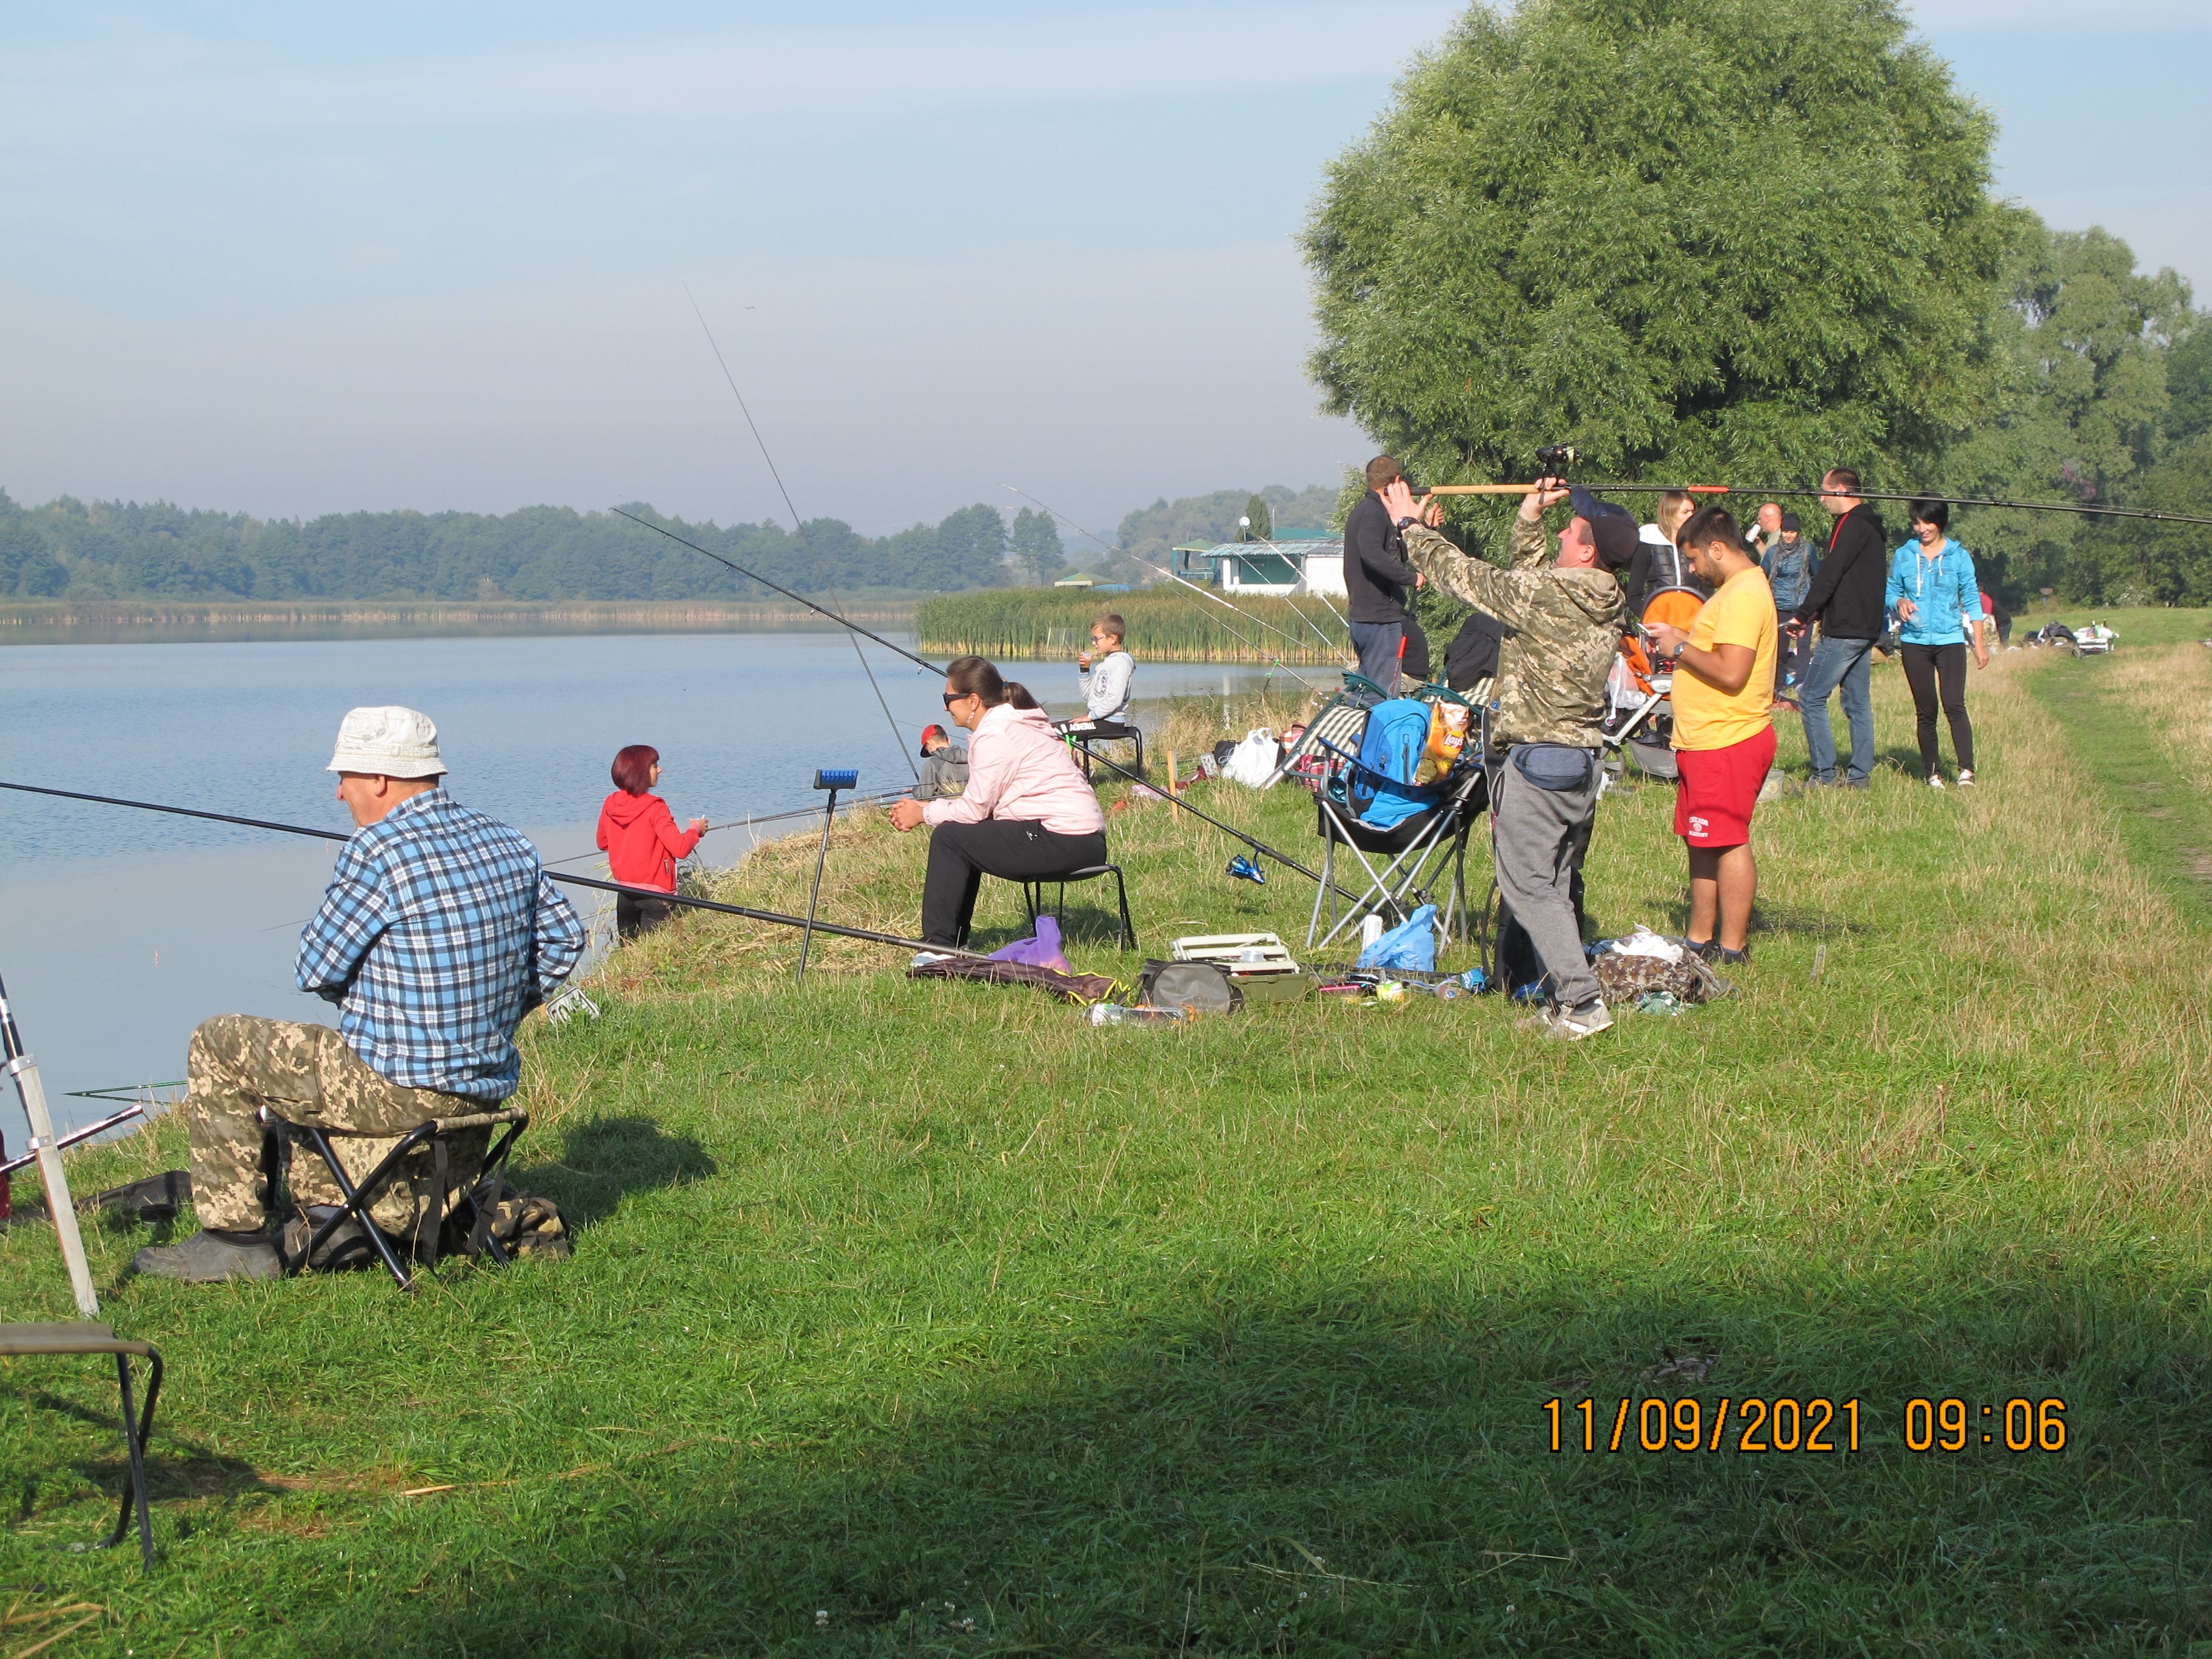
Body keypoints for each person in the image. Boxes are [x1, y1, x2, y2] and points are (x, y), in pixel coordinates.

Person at [133, 706, 585, 1282]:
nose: (339, 793)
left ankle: (231, 1240)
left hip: (400, 1092)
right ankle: (331, 1214)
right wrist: (497, 1010)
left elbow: (314, 969)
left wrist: (375, 996)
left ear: (379, 778)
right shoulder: (509, 840)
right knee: (317, 1061)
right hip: (483, 1094)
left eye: (343, 777)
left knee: (220, 1040)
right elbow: (565, 941)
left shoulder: (376, 849)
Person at [1384, 474, 1632, 1040]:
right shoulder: (1607, 598)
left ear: (1587, 551)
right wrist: (1529, 519)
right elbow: (1532, 580)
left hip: (1539, 761)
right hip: (1582, 761)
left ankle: (1583, 1002)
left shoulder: (1548, 597)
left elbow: (1468, 578)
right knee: (1560, 879)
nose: (1562, 539)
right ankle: (1559, 991)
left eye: (1569, 532)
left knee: (1527, 885)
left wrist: (1410, 527)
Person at [888, 657, 1108, 948]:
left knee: (949, 837)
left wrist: (924, 811)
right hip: (1084, 840)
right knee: (963, 833)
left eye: (948, 698)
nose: (945, 706)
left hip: (1064, 839)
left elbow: (974, 810)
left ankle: (938, 948)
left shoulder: (996, 733)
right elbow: (980, 809)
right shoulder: (1014, 722)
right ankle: (952, 942)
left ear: (973, 701)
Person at [1644, 509, 1778, 965]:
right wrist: (1682, 635)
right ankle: (1698, 939)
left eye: (1697, 559)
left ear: (1718, 549)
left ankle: (1732, 948)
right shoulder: (1734, 593)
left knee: (1729, 838)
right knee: (1702, 837)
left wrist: (1679, 649)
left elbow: (1733, 671)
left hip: (1729, 738)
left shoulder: (1742, 595)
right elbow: (1719, 649)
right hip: (1705, 740)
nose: (1694, 571)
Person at [1786, 467, 1888, 789]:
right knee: (1858, 703)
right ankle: (1859, 777)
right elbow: (1848, 579)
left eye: (1825, 491)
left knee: (1812, 696)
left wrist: (1803, 614)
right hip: (1866, 628)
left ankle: (1823, 775)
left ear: (1842, 490)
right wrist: (1817, 614)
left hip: (1846, 630)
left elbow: (1831, 573)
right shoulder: (1868, 524)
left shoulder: (1853, 524)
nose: (1821, 498)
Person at [1887, 498, 1989, 788]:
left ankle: (1966, 770)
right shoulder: (1904, 555)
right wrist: (1898, 601)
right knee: (1926, 709)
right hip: (1914, 642)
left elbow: (1972, 599)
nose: (1922, 529)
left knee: (1954, 704)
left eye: (1927, 522)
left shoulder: (1959, 556)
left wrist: (1979, 644)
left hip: (1951, 640)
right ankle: (1933, 773)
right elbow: (1891, 589)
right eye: (1917, 523)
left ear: (1940, 522)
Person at [597, 744, 707, 939]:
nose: (660, 769)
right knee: (654, 956)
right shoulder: (656, 807)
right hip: (656, 897)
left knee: (628, 953)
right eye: (654, 765)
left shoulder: (610, 803)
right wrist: (695, 830)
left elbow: (603, 842)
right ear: (640, 771)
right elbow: (680, 848)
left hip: (624, 891)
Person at [1341, 455, 1426, 691]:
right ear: (1397, 481)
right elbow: (1372, 554)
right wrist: (1411, 578)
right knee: (1381, 692)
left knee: (1367, 687)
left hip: (1365, 617)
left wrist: (1424, 527)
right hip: (1379, 619)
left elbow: (1395, 552)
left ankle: (1358, 723)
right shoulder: (1373, 513)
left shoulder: (1367, 511)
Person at [1626, 491, 1708, 615]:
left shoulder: (1698, 545)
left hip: (1692, 621)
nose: (1691, 516)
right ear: (1670, 513)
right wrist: (1653, 616)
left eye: (1693, 511)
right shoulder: (1648, 543)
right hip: (1658, 621)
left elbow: (1707, 590)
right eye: (1686, 512)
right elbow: (1633, 596)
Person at [1763, 512, 1815, 692]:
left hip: (1803, 606)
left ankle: (1803, 683)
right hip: (1780, 606)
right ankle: (1779, 685)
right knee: (1780, 649)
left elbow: (1817, 574)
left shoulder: (1808, 550)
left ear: (1798, 533)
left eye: (1793, 532)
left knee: (1803, 648)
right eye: (1786, 531)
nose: (1789, 535)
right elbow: (1763, 576)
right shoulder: (1772, 553)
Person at [1074, 613, 1135, 725]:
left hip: (1111, 722)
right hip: (1098, 719)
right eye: (1093, 639)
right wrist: (1084, 670)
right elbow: (1088, 695)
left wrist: (1091, 717)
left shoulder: (1120, 662)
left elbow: (1115, 700)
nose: (1093, 643)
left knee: (1058, 731)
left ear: (1113, 639)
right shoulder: (1104, 665)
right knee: (1054, 730)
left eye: (1096, 639)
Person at [911, 723, 970, 801]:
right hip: (971, 805)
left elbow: (924, 796)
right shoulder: (969, 757)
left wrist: (915, 790)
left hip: (946, 809)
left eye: (927, 749)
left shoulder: (932, 763)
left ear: (929, 744)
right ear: (949, 740)